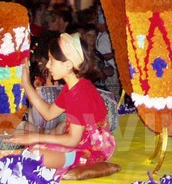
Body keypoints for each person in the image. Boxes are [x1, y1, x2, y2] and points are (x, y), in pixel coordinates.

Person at [7, 33, 115, 176]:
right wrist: (26, 84)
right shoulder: (73, 87)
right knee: (26, 142)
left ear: (68, 65)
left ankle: (74, 161)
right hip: (77, 142)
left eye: (51, 60)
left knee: (34, 154)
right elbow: (48, 113)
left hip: (91, 150)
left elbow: (72, 140)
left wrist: (35, 137)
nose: (47, 65)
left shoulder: (80, 94)